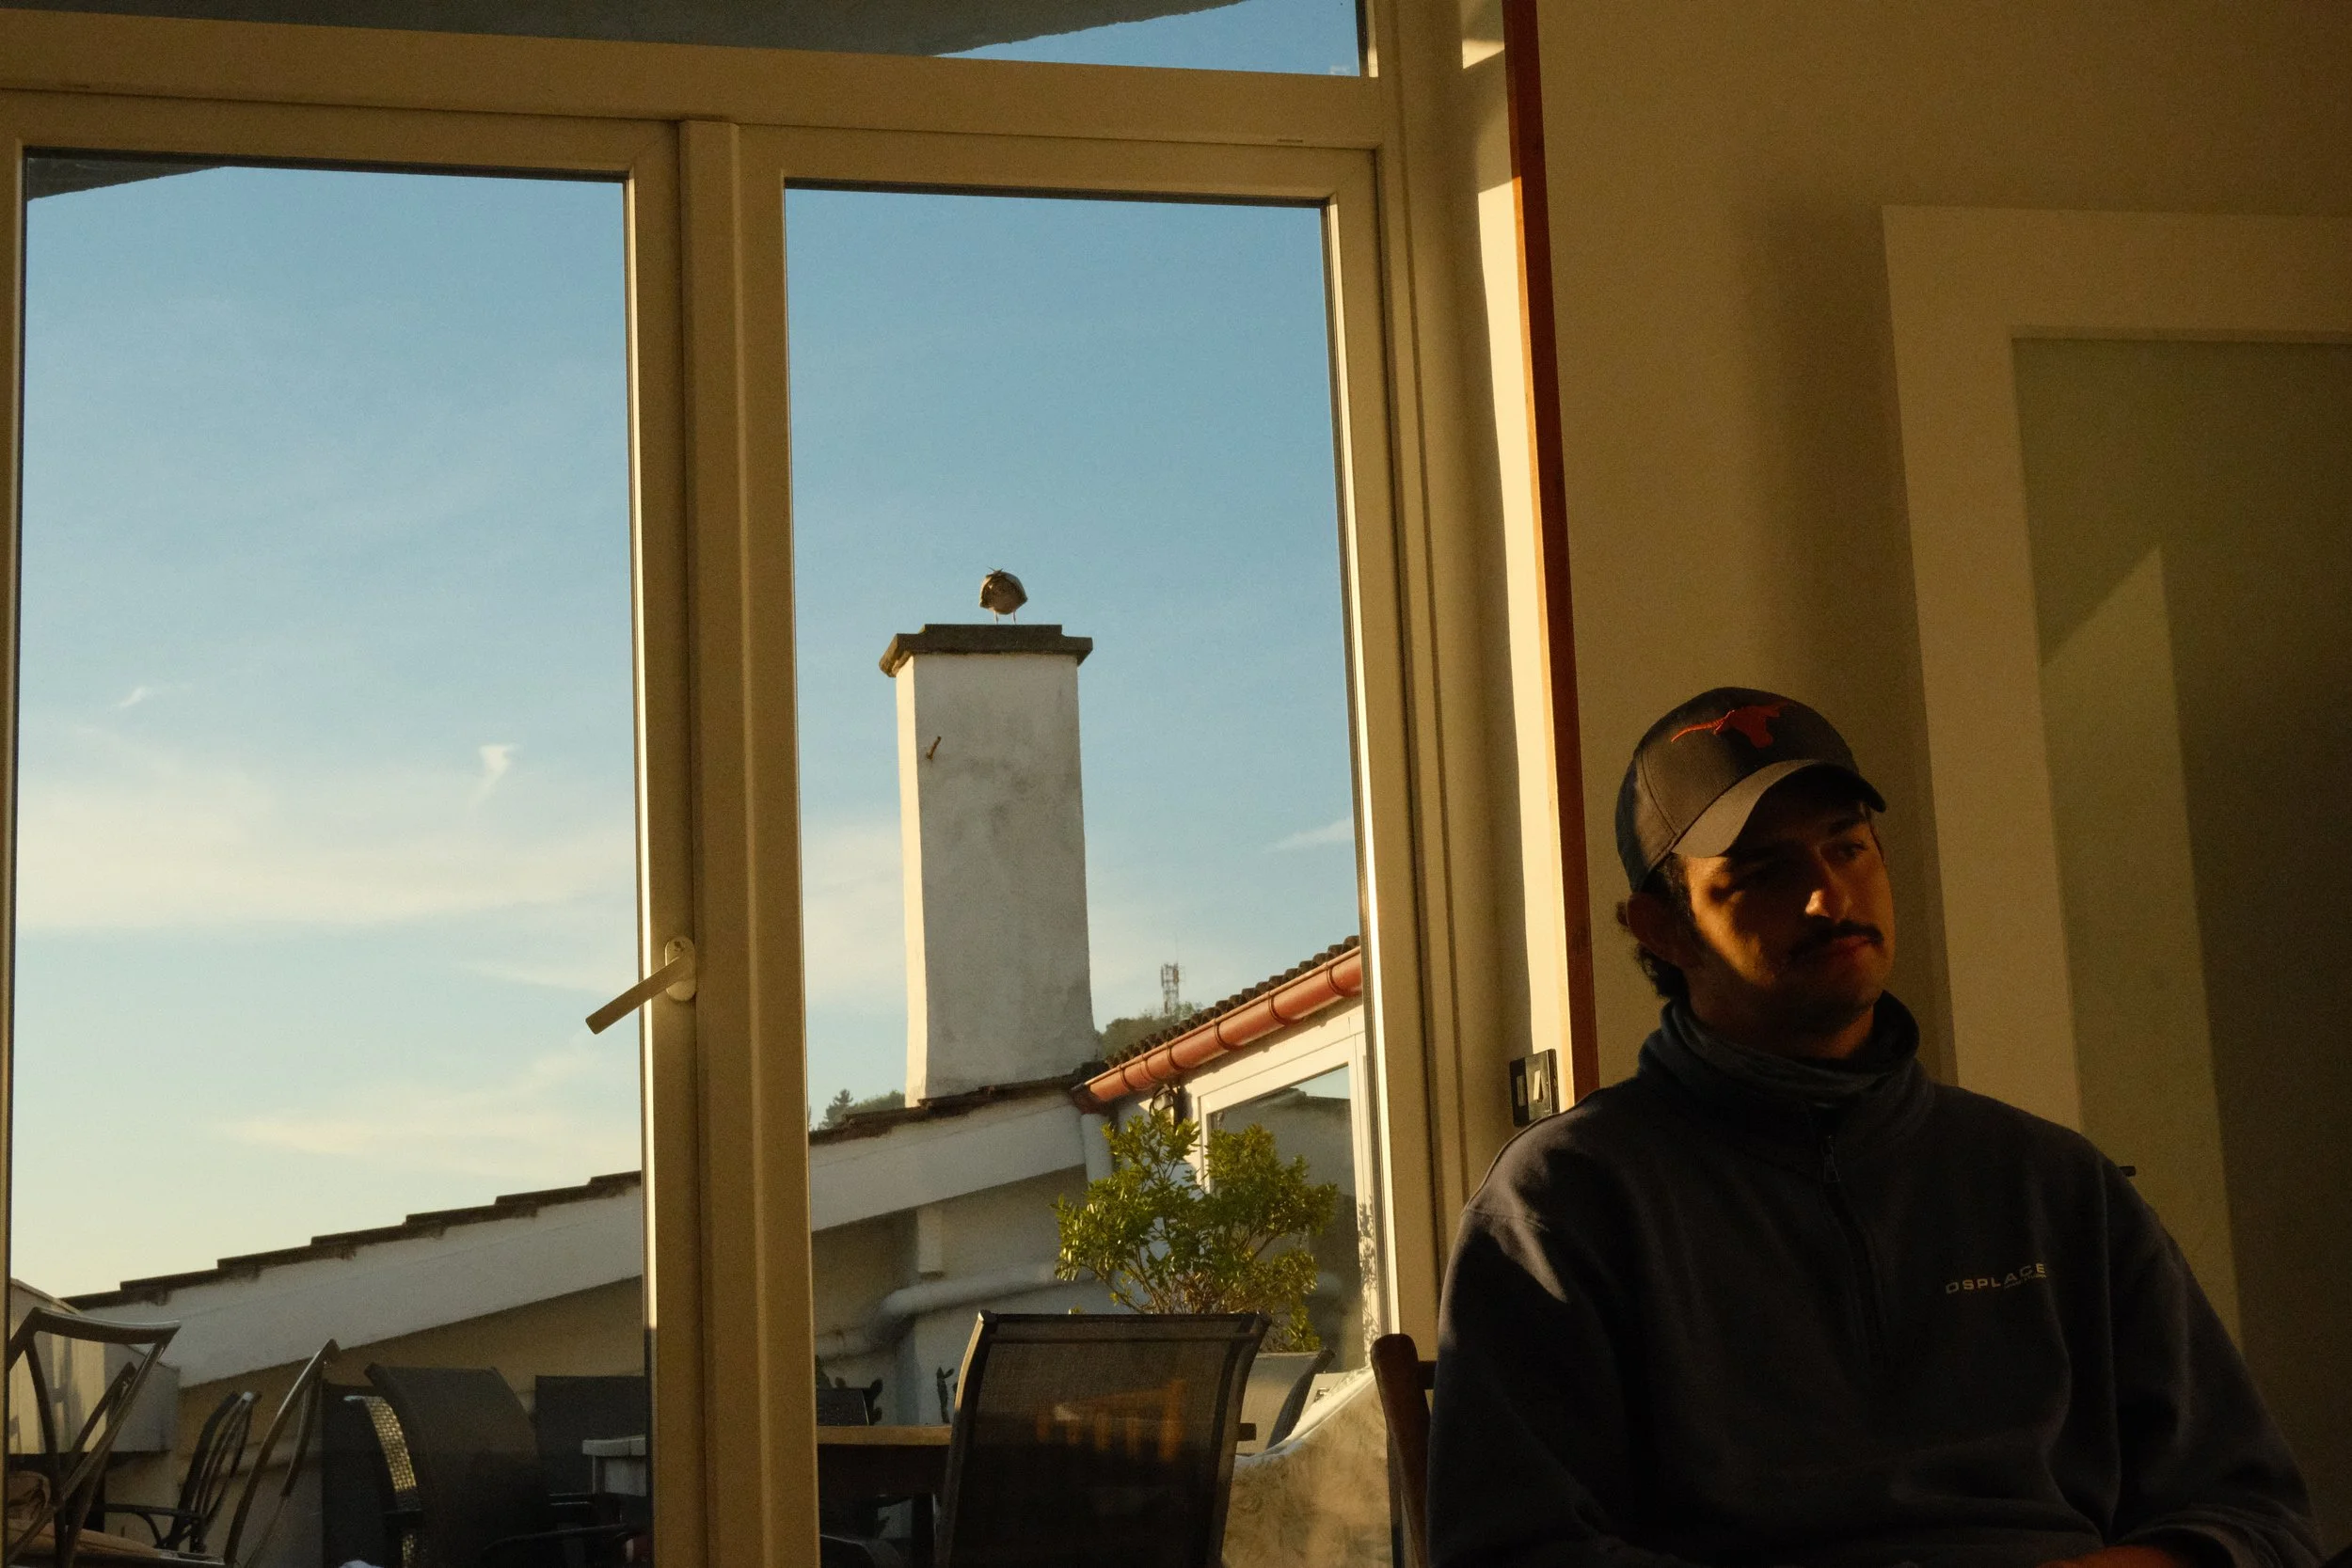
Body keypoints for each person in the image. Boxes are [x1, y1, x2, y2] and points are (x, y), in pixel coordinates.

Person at [1426, 688, 2318, 1568]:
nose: (1828, 896)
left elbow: (2256, 1515)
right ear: (1662, 929)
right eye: (1763, 872)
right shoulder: (1563, 1201)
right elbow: (1512, 1549)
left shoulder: (2051, 1182)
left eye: (1846, 847)